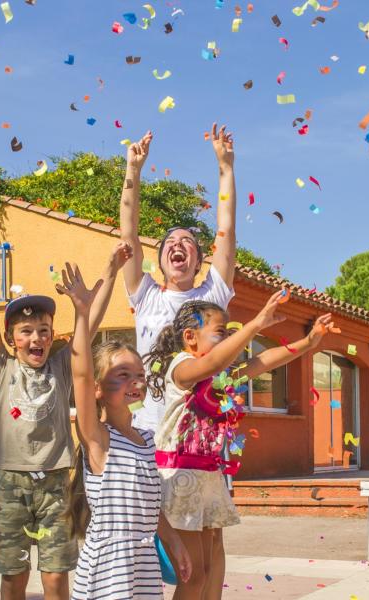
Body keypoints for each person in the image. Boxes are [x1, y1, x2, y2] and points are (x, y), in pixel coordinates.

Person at [0, 226, 131, 600]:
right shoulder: (2, 367)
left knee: (55, 578)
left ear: (52, 334)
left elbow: (90, 321)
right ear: (11, 338)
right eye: (27, 332)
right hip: (12, 485)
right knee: (13, 577)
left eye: (44, 330)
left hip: (54, 484)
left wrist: (111, 270)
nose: (37, 339)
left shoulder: (63, 365)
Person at [145, 294, 335, 599]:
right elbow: (215, 360)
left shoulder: (219, 376)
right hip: (180, 477)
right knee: (192, 575)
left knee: (212, 567)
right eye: (220, 331)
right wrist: (256, 324)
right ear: (190, 337)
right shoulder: (181, 367)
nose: (228, 338)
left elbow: (262, 361)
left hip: (207, 476)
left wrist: (309, 343)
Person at [58, 263, 191, 599]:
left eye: (139, 375)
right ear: (99, 389)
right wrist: (82, 315)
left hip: (143, 562)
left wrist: (173, 540)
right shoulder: (98, 437)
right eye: (121, 375)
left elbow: (150, 503)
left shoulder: (146, 439)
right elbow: (81, 376)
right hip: (109, 566)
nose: (135, 382)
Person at [120, 124, 238, 432]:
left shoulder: (212, 296)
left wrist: (225, 168)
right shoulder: (145, 295)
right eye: (169, 242)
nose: (177, 244)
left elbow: (227, 232)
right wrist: (132, 170)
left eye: (187, 242)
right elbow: (128, 233)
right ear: (158, 262)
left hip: (202, 433)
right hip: (149, 431)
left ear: (199, 262)